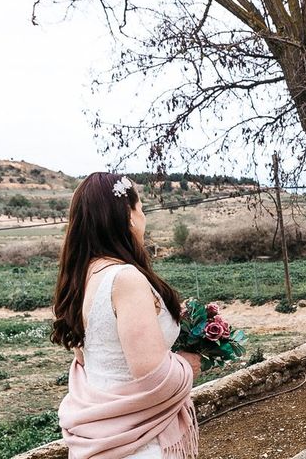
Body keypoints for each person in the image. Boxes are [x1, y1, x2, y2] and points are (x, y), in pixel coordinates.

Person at [51, 172, 201, 458]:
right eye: (141, 208)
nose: (143, 217)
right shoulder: (125, 278)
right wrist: (188, 365)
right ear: (128, 216)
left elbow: (86, 359)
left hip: (98, 438)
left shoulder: (80, 279)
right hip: (137, 444)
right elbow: (154, 376)